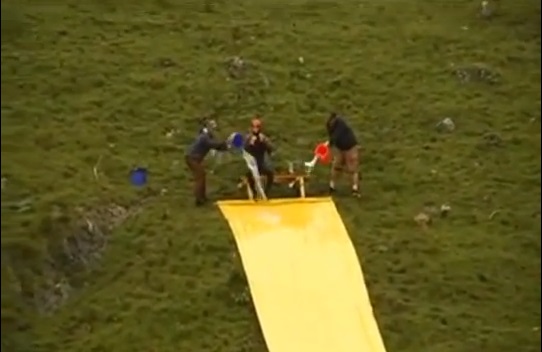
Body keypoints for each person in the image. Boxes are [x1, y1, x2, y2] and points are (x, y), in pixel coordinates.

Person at [185, 119, 229, 206]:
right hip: (192, 158)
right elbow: (212, 144)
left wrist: (224, 147)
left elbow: (215, 145)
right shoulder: (205, 137)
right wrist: (224, 144)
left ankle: (202, 197)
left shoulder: (205, 136)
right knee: (200, 177)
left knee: (201, 175)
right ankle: (199, 199)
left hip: (193, 158)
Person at [326, 112, 360, 197]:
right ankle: (332, 186)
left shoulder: (341, 124)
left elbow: (335, 136)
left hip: (350, 147)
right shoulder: (329, 125)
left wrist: (328, 144)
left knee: (352, 169)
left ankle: (354, 188)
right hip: (340, 148)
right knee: (336, 166)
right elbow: (331, 136)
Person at [244, 117, 274, 197]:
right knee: (249, 176)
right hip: (252, 164)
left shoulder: (263, 137)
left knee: (270, 174)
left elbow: (270, 149)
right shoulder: (248, 137)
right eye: (254, 126)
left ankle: (267, 192)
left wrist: (264, 142)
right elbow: (245, 150)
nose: (255, 128)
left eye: (257, 126)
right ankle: (254, 193)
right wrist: (251, 143)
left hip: (261, 163)